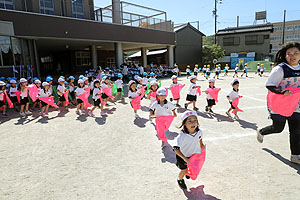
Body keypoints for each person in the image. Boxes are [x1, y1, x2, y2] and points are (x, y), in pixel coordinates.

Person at [257, 42, 300, 164]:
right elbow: (269, 85)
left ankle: (295, 156)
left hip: (296, 104)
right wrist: (281, 92)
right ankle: (262, 131)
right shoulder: (280, 69)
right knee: (278, 128)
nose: (292, 56)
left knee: (296, 130)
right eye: (289, 54)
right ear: (285, 56)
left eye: (295, 53)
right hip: (280, 103)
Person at [173, 110, 205, 190]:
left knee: (194, 167)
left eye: (195, 120)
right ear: (184, 123)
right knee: (184, 170)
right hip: (183, 157)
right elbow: (176, 149)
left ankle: (188, 173)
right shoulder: (182, 135)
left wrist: (202, 144)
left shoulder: (199, 132)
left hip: (193, 156)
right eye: (189, 121)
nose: (193, 123)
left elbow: (199, 138)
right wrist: (185, 158)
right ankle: (180, 179)